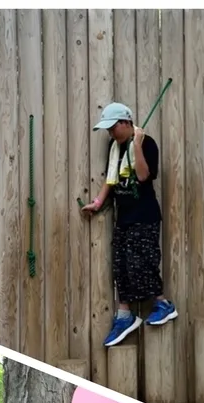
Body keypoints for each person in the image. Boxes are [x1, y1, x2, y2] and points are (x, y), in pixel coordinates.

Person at [84, 102, 177, 348]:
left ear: (126, 123)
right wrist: (98, 202)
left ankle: (163, 304)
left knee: (143, 262)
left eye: (113, 128)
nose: (110, 133)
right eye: (108, 129)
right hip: (123, 216)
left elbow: (144, 176)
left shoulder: (146, 143)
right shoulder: (114, 147)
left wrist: (136, 144)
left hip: (144, 215)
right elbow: (111, 179)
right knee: (120, 266)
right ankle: (125, 315)